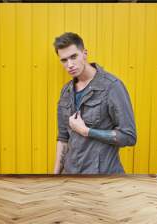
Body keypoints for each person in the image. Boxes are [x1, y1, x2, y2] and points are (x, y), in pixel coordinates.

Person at [53, 32, 137, 174]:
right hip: (70, 174)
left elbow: (129, 136)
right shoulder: (66, 91)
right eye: (64, 60)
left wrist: (87, 131)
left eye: (74, 57)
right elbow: (63, 139)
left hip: (102, 176)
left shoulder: (111, 86)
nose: (70, 65)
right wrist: (54, 176)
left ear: (84, 53)